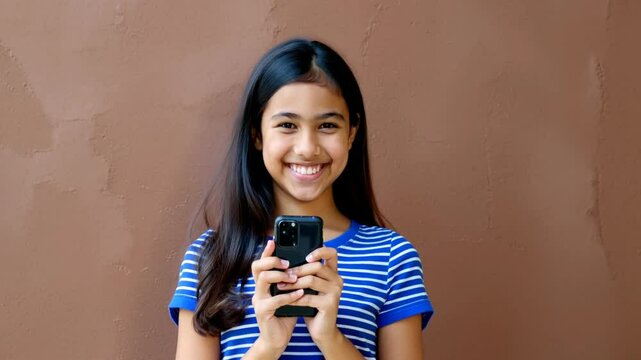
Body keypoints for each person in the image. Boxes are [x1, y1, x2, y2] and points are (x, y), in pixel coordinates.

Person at [169, 38, 434, 360]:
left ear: (351, 132)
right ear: (256, 134)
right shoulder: (210, 257)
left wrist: (329, 338)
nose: (307, 147)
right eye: (287, 125)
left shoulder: (392, 255)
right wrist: (269, 345)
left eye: (327, 125)